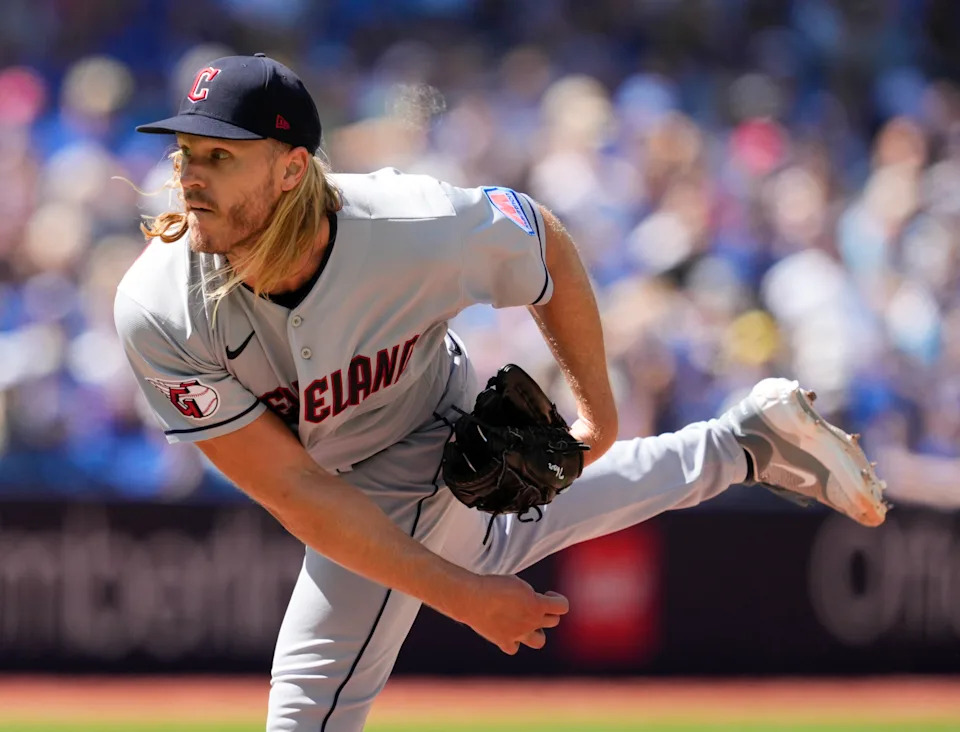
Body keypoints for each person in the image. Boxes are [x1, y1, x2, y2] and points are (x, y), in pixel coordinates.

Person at [116, 54, 888, 731]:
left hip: (426, 428)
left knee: (307, 712)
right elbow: (295, 490)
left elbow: (542, 243)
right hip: (335, 480)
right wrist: (462, 592)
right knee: (500, 540)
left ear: (291, 168)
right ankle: (742, 444)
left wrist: (600, 415)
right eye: (185, 152)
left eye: (220, 155)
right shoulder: (159, 306)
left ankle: (741, 446)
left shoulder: (407, 223)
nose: (189, 176)